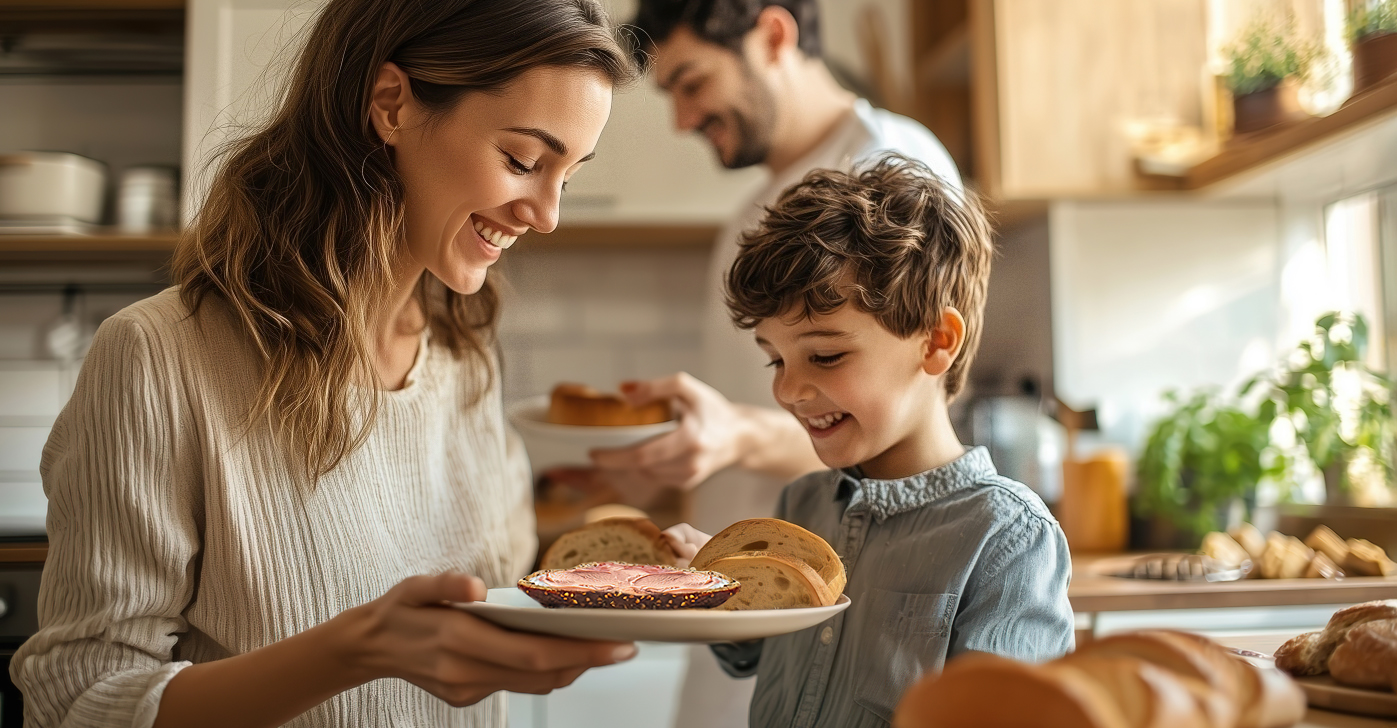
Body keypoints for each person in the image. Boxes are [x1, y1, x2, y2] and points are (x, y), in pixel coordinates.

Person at [10, 1, 641, 726]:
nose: (547, 213)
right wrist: (356, 651)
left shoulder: (466, 360)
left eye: (567, 174)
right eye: (523, 161)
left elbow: (493, 602)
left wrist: (641, 576)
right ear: (391, 104)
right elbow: (77, 699)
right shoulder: (159, 357)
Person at [578, 1, 964, 722]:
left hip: (824, 628)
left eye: (692, 83)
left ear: (774, 34)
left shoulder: (885, 169)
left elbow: (911, 433)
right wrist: (681, 452)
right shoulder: (748, 219)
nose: (681, 120)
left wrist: (737, 436)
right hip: (733, 618)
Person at [665, 155, 1074, 727]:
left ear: (936, 341)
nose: (789, 389)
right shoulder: (800, 507)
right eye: (775, 360)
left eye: (825, 355)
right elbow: (750, 655)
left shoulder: (1007, 539)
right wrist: (713, 586)